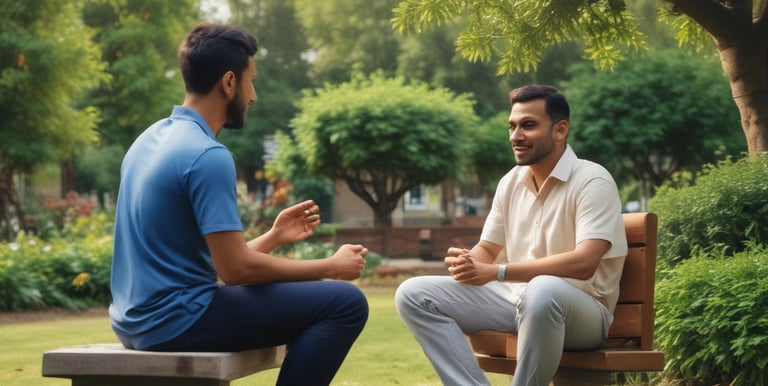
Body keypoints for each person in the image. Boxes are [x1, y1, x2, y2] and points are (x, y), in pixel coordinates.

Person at [109, 23, 369, 386]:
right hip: (178, 321)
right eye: (251, 80)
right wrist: (331, 266)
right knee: (345, 303)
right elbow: (235, 272)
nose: (254, 95)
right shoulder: (207, 155)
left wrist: (274, 236)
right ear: (229, 82)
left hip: (134, 321)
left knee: (317, 304)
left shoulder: (149, 140)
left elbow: (216, 264)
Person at [395, 84, 628, 386]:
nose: (516, 136)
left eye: (528, 126)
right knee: (414, 294)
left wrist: (497, 271)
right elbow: (487, 249)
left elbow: (584, 263)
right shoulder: (512, 181)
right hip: (518, 300)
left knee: (543, 290)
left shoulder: (592, 180)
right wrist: (468, 263)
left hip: (584, 313)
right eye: (512, 126)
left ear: (560, 130)